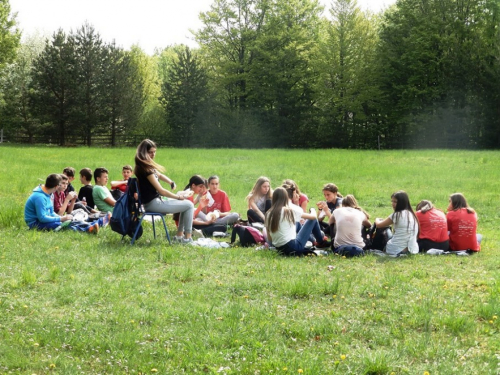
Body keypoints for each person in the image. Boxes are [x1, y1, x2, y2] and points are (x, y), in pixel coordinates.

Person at [134, 139, 194, 243]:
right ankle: (187, 238)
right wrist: (178, 197)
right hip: (153, 204)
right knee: (189, 205)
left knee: (186, 204)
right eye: (150, 152)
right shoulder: (146, 170)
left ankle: (180, 236)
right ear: (144, 152)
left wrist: (171, 182)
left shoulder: (145, 167)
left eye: (154, 152)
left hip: (153, 202)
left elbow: (160, 175)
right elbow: (161, 191)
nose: (153, 154)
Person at [24, 174, 104, 233]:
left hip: (43, 220)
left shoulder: (49, 194)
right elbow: (42, 218)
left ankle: (96, 223)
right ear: (56, 186)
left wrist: (63, 217)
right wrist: (61, 218)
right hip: (35, 223)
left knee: (68, 220)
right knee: (63, 225)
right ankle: (87, 229)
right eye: (60, 184)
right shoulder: (40, 197)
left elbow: (51, 212)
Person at [265, 187, 325, 256]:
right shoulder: (287, 211)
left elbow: (269, 238)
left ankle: (313, 240)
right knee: (312, 220)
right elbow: (313, 217)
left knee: (297, 223)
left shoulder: (268, 213)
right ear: (285, 197)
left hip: (279, 249)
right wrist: (312, 210)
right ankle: (321, 242)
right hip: (293, 247)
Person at [376, 190, 419, 255]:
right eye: (392, 201)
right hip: (412, 249)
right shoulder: (412, 215)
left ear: (402, 202)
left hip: (396, 249)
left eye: (395, 202)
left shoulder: (397, 215)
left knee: (386, 230)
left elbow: (379, 225)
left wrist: (377, 219)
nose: (392, 204)